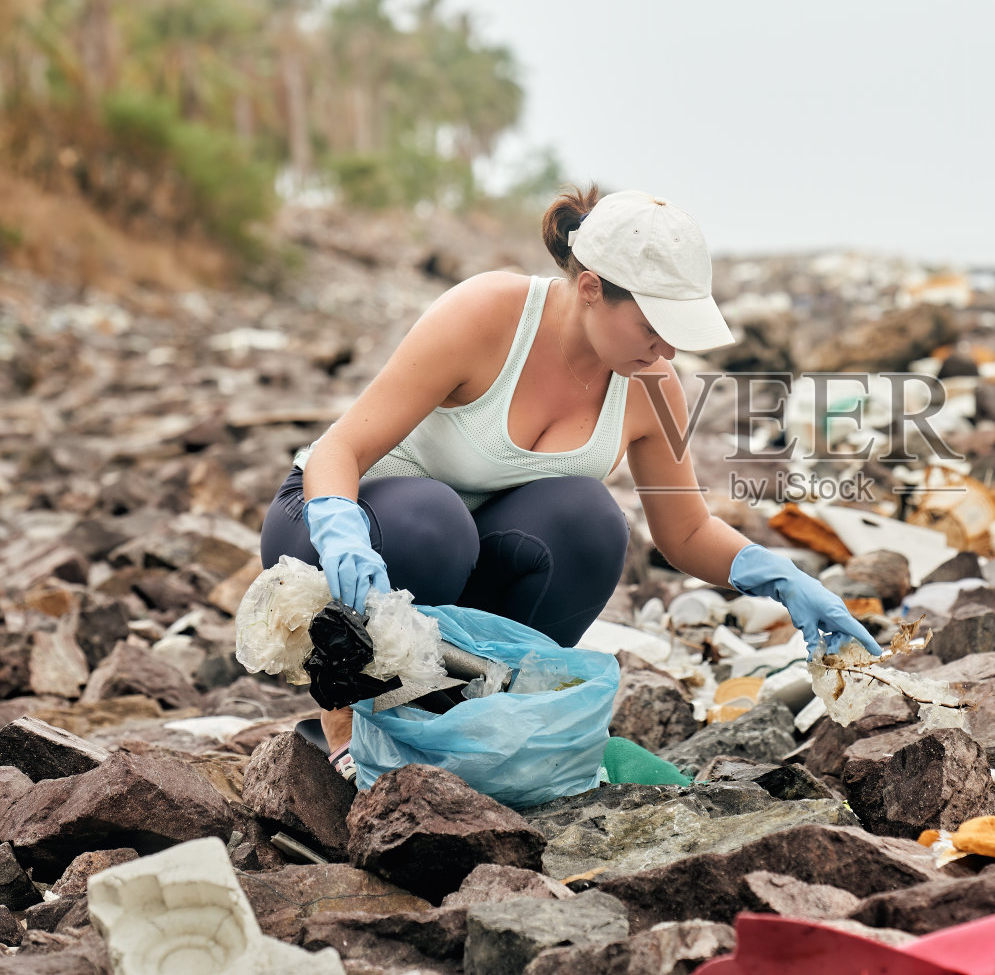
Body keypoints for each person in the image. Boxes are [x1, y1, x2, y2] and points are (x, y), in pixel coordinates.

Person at [260, 186, 882, 779]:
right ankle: (348, 722)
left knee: (591, 521)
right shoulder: (488, 314)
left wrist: (784, 579)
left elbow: (687, 532)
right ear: (590, 289)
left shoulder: (651, 385)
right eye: (652, 326)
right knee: (436, 524)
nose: (666, 349)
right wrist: (341, 533)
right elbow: (339, 449)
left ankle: (459, 713)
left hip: (460, 554)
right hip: (337, 530)